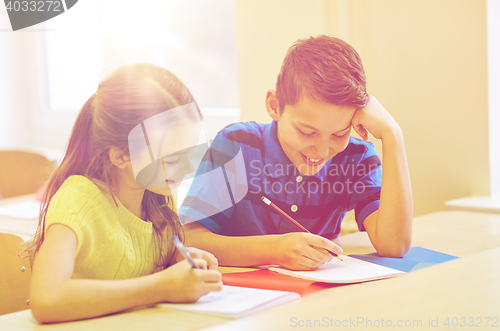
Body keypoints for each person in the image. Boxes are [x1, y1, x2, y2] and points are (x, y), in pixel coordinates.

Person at [179, 35, 413, 270]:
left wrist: (392, 135)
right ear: (275, 105)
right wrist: (275, 250)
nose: (322, 151)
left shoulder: (356, 157)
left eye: (339, 134)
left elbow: (393, 247)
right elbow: (188, 239)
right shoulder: (235, 145)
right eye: (307, 132)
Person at [28, 64, 222, 324]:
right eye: (174, 158)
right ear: (122, 155)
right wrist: (161, 287)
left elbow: (140, 258)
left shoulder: (158, 193)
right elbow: (46, 299)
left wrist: (179, 258)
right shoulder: (78, 200)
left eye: (191, 152)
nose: (187, 168)